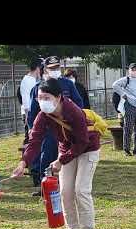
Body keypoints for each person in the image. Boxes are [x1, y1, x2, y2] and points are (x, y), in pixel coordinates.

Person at [12, 78, 101, 229]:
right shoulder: (43, 115)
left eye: (46, 97)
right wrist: (23, 163)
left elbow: (82, 142)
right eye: (39, 98)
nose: (42, 101)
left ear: (58, 97)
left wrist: (61, 160)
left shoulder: (73, 111)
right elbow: (35, 141)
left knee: (81, 190)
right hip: (66, 150)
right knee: (65, 192)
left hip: (88, 149)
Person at [27, 56, 83, 196]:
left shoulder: (68, 84)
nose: (55, 71)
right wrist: (31, 128)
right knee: (46, 155)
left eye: (57, 68)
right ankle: (44, 184)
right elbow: (33, 111)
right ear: (45, 69)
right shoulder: (38, 88)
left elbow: (79, 103)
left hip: (66, 128)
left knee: (68, 154)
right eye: (51, 68)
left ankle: (66, 183)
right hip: (47, 128)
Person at [112, 63, 136, 156]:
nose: (134, 71)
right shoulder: (126, 79)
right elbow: (115, 85)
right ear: (129, 70)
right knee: (128, 127)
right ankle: (126, 149)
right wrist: (123, 94)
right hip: (129, 105)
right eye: (132, 69)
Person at [20, 58, 43, 145]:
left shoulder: (34, 80)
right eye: (41, 69)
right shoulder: (28, 81)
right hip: (30, 115)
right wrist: (28, 119)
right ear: (37, 69)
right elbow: (26, 102)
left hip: (34, 113)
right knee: (32, 141)